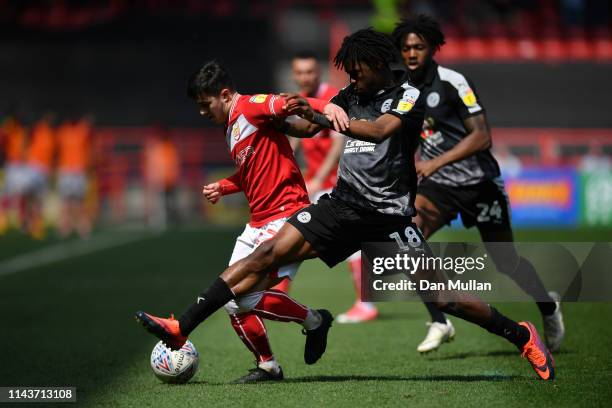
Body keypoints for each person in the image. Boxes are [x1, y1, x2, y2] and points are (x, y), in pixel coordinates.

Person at [136, 30, 555, 381]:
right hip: (342, 204)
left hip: (388, 216)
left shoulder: (406, 96)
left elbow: (377, 132)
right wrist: (290, 119)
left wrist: (323, 118)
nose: (352, 75)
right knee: (266, 254)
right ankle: (181, 326)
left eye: (357, 68)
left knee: (446, 300)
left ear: (377, 63)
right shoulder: (351, 92)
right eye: (348, 70)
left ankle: (521, 336)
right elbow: (309, 126)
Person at [136, 60, 342, 383]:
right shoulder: (230, 127)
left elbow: (289, 102)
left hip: (287, 215)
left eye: (206, 105)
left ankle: (314, 321)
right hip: (257, 221)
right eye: (199, 107)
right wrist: (225, 186)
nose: (203, 112)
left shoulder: (251, 107)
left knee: (240, 295)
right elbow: (250, 172)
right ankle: (268, 366)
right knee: (234, 303)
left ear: (225, 94)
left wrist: (331, 108)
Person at [391, 15, 565, 354]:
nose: (412, 53)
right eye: (406, 48)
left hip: (479, 182)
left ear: (432, 48)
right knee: (407, 237)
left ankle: (548, 305)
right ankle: (440, 320)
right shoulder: (404, 91)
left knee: (506, 261)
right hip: (439, 187)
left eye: (419, 47)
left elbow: (482, 137)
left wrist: (433, 162)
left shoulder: (452, 81)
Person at [287, 52, 378, 323]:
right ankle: (272, 294)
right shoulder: (298, 101)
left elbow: (338, 145)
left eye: (310, 72)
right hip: (316, 183)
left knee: (297, 237)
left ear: (319, 72)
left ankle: (367, 304)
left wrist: (318, 179)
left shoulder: (332, 98)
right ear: (295, 75)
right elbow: (294, 140)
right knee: (289, 235)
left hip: (335, 184)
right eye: (300, 72)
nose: (305, 77)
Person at [56, 115, 92, 238]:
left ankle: (82, 227)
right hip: (66, 170)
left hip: (77, 170)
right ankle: (65, 227)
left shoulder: (81, 129)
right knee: (66, 201)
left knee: (79, 202)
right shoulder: (64, 131)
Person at [0, 113, 28, 233]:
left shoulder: (23, 132)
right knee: (7, 193)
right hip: (11, 166)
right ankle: (3, 220)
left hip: (20, 167)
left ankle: (22, 221)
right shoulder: (8, 131)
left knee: (20, 194)